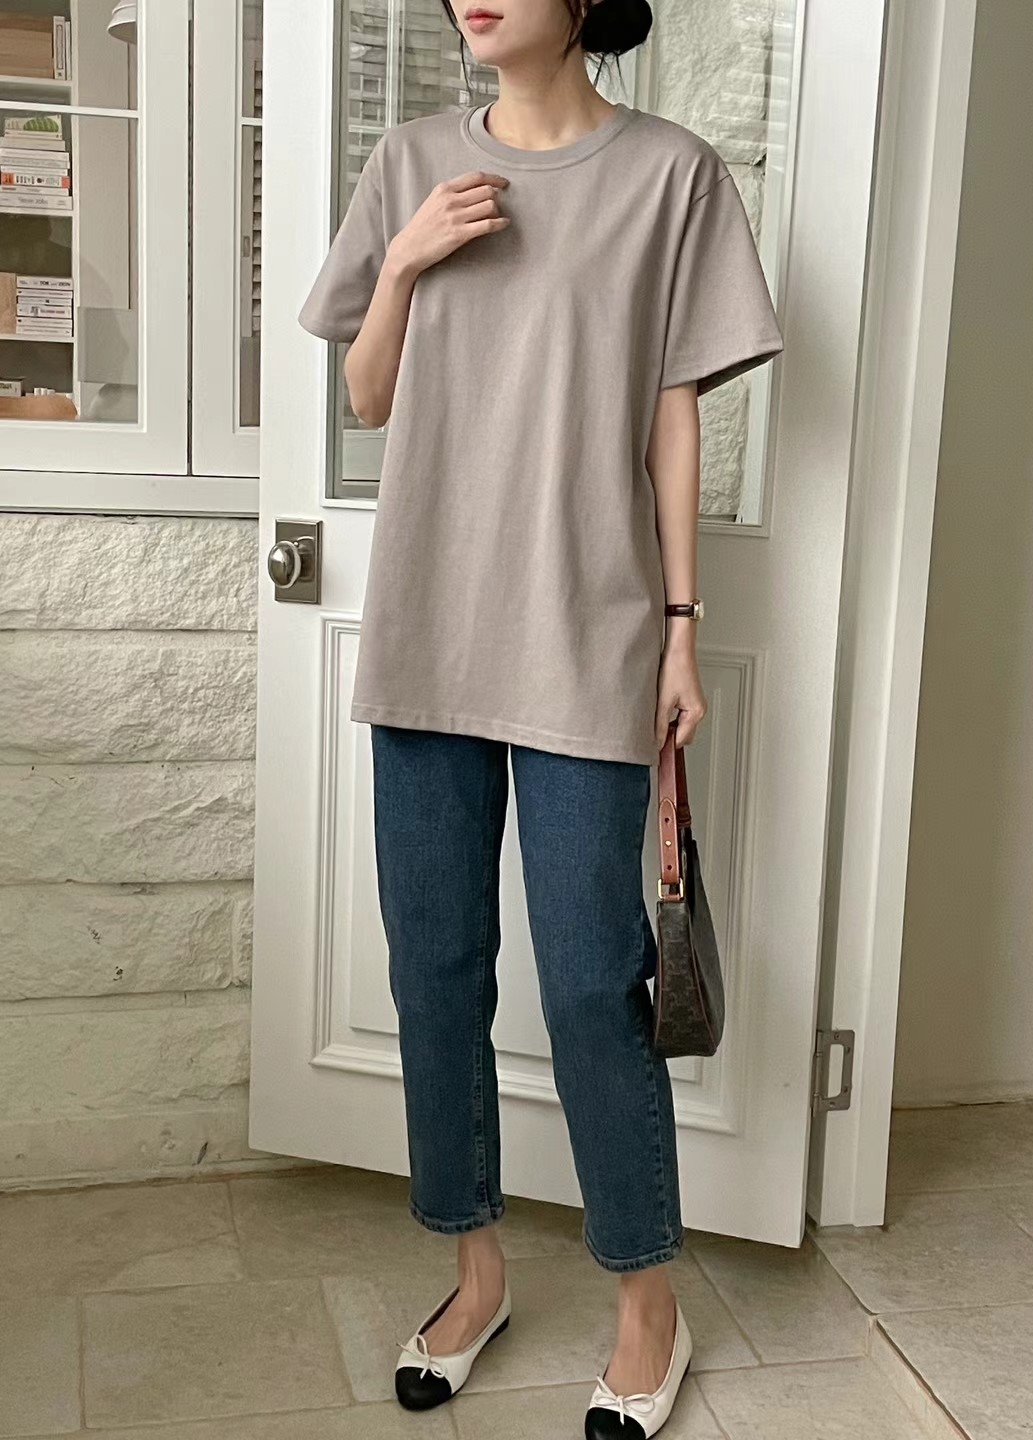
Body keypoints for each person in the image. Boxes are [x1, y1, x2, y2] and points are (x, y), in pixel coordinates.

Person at [297, 2, 782, 1434]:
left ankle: (646, 1301)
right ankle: (475, 1274)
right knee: (436, 972)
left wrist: (681, 628)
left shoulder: (670, 174)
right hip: (430, 627)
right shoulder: (409, 161)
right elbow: (368, 399)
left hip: (588, 630)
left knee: (589, 984)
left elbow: (674, 416)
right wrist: (402, 261)